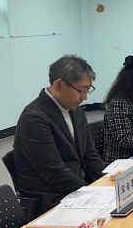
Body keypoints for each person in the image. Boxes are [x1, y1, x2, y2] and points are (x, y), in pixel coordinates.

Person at [13, 55, 105, 214]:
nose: (84, 97)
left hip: (78, 188)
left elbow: (90, 155)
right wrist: (94, 194)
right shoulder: (34, 118)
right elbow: (55, 173)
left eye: (87, 90)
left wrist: (108, 180)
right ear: (59, 85)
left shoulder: (75, 110)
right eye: (81, 90)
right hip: (52, 199)